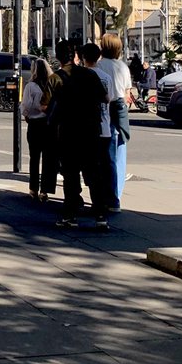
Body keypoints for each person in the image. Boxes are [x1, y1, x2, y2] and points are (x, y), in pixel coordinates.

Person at [50, 41, 110, 228]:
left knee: (71, 174)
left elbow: (47, 105)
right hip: (91, 129)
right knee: (93, 173)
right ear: (75, 55)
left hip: (68, 131)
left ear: (58, 57)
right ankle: (100, 216)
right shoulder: (90, 74)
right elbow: (106, 98)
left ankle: (70, 215)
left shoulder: (56, 78)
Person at [75, 43, 118, 228]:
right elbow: (109, 99)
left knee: (86, 169)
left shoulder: (81, 76)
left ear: (83, 58)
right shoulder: (106, 77)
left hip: (86, 128)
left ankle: (85, 205)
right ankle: (104, 205)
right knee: (102, 168)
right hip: (104, 126)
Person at [98, 32, 132, 209]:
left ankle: (108, 195)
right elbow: (126, 94)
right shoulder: (123, 67)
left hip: (105, 109)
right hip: (120, 109)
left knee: (106, 155)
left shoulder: (99, 66)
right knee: (120, 152)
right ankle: (116, 194)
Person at [20, 57, 59, 202]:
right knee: (49, 158)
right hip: (49, 124)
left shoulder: (31, 86)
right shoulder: (52, 84)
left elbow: (26, 105)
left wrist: (26, 115)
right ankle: (45, 190)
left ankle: (34, 188)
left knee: (34, 157)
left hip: (35, 124)